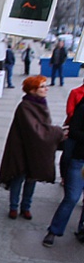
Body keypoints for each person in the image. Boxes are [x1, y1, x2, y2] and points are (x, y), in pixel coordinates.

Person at [0, 75, 66, 220]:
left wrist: (53, 132)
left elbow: (44, 127)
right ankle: (13, 207)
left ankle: (26, 207)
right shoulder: (24, 106)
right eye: (42, 86)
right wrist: (58, 131)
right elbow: (34, 129)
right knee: (18, 177)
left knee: (32, 178)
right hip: (21, 148)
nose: (46, 89)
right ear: (33, 90)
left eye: (46, 86)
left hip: (35, 149)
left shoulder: (42, 104)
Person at [43, 98, 84, 247]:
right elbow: (73, 131)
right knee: (72, 198)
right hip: (80, 160)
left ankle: (82, 229)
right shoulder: (83, 107)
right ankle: (53, 231)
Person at [59, 78, 84, 184]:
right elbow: (70, 111)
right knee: (67, 155)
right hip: (75, 128)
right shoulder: (76, 92)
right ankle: (64, 177)